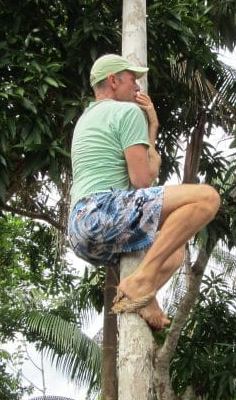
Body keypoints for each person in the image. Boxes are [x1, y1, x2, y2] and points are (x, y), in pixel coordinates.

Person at [67, 54, 220, 330]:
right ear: (113, 81)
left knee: (173, 250)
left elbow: (137, 181)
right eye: (133, 80)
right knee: (207, 198)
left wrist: (151, 129)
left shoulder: (85, 119)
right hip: (102, 210)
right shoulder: (126, 112)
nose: (138, 87)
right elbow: (142, 180)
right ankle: (140, 283)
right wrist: (152, 127)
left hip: (81, 230)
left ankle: (142, 293)